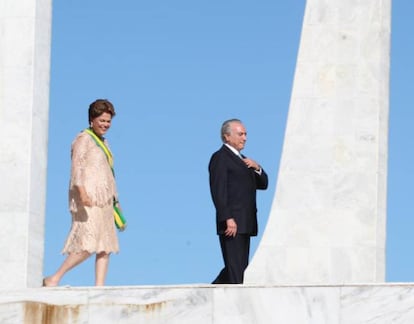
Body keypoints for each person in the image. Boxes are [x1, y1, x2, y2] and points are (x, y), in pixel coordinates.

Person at [43, 99, 120, 287]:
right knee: (88, 242)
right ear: (92, 120)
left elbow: (108, 172)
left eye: (108, 121)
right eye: (102, 120)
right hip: (88, 197)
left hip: (105, 198)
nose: (105, 125)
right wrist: (82, 192)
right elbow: (76, 167)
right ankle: (54, 278)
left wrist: (116, 200)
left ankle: (99, 286)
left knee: (105, 244)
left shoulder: (105, 143)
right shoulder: (83, 139)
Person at [209, 118, 268, 284]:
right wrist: (227, 218)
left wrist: (257, 168)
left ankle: (212, 292)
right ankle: (221, 300)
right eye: (240, 134)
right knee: (236, 271)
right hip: (232, 224)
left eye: (246, 134)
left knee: (239, 268)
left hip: (245, 222)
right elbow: (218, 190)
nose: (245, 138)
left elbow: (264, 184)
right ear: (227, 137)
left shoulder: (245, 160)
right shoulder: (220, 158)